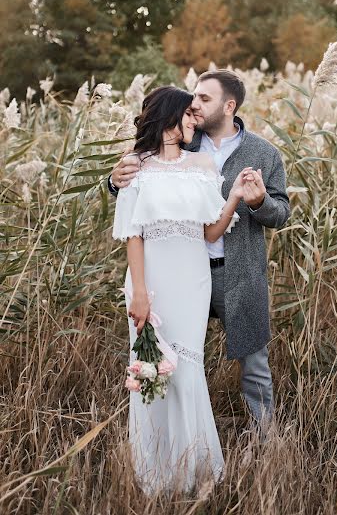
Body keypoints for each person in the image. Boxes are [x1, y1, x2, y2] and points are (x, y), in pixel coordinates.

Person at [109, 69, 290, 429]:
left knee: (254, 364)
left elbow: (280, 212)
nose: (195, 105)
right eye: (192, 99)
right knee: (173, 357)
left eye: (204, 99)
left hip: (234, 273)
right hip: (175, 274)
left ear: (229, 105)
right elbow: (138, 189)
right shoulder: (184, 141)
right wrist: (113, 181)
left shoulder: (264, 153)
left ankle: (266, 440)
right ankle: (179, 435)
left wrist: (257, 201)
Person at [112, 85, 256, 493]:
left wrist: (234, 198)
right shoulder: (134, 166)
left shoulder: (204, 166)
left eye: (197, 114)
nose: (196, 121)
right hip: (150, 278)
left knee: (187, 368)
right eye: (189, 115)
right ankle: (153, 473)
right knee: (151, 367)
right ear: (170, 119)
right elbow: (133, 235)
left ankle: (193, 469)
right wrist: (139, 292)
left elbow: (211, 230)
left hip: (193, 278)